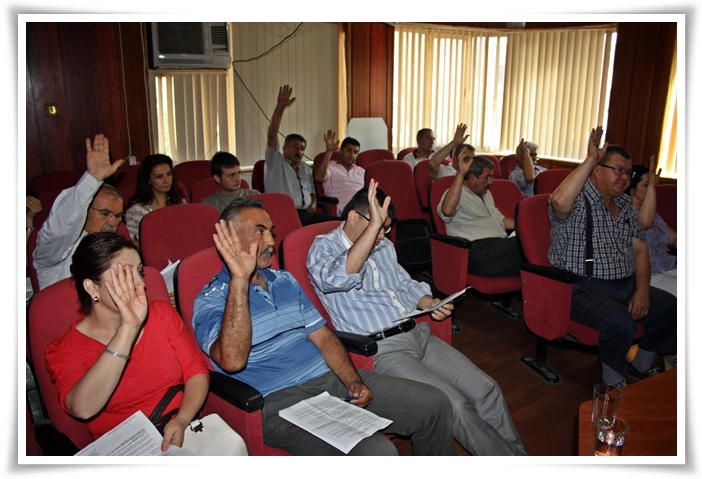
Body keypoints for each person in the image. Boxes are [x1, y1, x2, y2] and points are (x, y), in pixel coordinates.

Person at [191, 197, 454, 456]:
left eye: (271, 232)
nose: (271, 242)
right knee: (378, 452)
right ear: (231, 237)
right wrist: (240, 280)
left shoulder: (284, 280)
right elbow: (233, 361)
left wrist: (352, 381)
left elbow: (323, 337)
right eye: (260, 232)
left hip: (329, 382)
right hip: (278, 402)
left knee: (436, 403)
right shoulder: (210, 299)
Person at [307, 182, 527, 456]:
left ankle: (520, 460)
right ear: (353, 217)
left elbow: (405, 284)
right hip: (383, 349)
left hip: (416, 332)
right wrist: (372, 232)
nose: (383, 235)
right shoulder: (323, 248)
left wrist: (431, 303)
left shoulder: (384, 246)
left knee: (487, 389)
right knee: (454, 404)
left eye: (386, 227)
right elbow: (336, 279)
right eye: (377, 226)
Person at [44, 232, 247, 455]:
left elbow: (196, 372)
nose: (140, 283)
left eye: (139, 272)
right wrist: (128, 328)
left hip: (181, 431)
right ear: (93, 289)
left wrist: (181, 419)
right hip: (127, 450)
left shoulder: (161, 313)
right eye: (125, 277)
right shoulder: (65, 348)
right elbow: (82, 408)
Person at [548, 126, 676, 387]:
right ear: (597, 170)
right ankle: (612, 376)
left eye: (628, 172)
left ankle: (641, 363)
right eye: (617, 170)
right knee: (621, 322)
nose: (625, 177)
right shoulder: (578, 201)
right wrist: (592, 157)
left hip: (623, 285)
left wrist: (642, 291)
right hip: (582, 288)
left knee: (671, 307)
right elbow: (559, 202)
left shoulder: (627, 206)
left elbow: (640, 249)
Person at [33, 134, 125, 291]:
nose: (112, 222)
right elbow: (57, 231)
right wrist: (92, 178)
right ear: (85, 212)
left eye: (117, 216)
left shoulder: (115, 247)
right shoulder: (58, 249)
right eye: (104, 213)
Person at [437, 149, 522, 277]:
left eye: (491, 178)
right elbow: (447, 211)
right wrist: (460, 174)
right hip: (477, 250)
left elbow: (500, 220)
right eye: (487, 178)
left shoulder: (486, 194)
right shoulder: (454, 194)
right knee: (525, 246)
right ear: (472, 177)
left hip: (498, 248)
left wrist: (525, 227)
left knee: (529, 246)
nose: (490, 182)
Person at [264, 85, 337, 226]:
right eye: (295, 147)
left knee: (339, 224)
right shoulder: (276, 162)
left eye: (303, 149)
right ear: (284, 148)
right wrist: (280, 108)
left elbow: (311, 191)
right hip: (285, 215)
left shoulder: (304, 167)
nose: (299, 152)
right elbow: (272, 135)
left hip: (307, 214)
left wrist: (314, 203)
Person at [625, 156, 677, 297]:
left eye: (652, 185)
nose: (651, 189)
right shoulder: (626, 213)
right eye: (646, 185)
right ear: (632, 189)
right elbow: (644, 224)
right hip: (651, 273)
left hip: (669, 267)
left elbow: (674, 239)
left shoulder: (655, 215)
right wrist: (653, 188)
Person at [125, 154, 187, 247]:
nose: (166, 180)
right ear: (148, 180)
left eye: (169, 174)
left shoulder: (180, 202)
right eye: (159, 177)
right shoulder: (136, 209)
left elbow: (190, 233)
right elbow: (126, 242)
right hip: (150, 256)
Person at [313, 131, 364, 215]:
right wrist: (329, 151)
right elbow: (319, 177)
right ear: (341, 151)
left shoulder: (361, 171)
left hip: (363, 207)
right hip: (346, 211)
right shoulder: (330, 167)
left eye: (355, 152)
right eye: (349, 150)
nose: (352, 155)